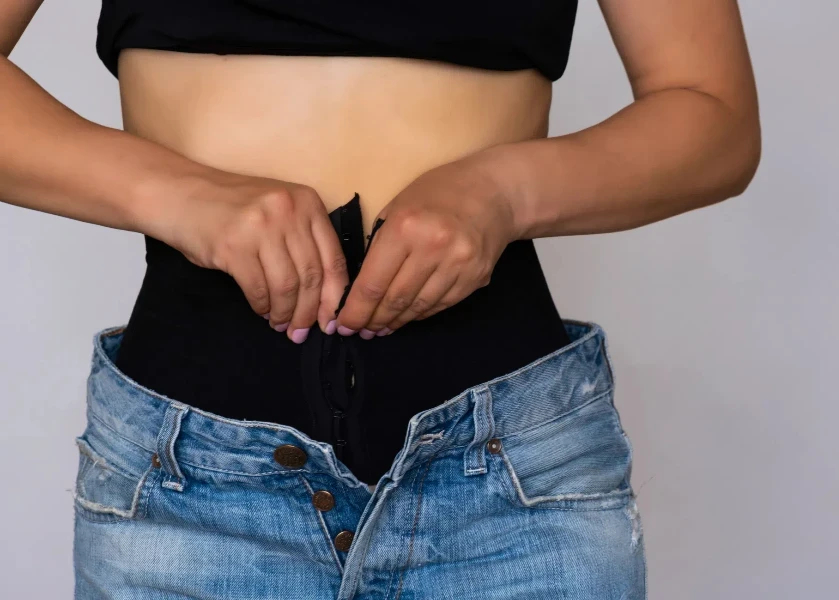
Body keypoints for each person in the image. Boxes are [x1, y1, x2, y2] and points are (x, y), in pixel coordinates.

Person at [1, 1, 759, 598]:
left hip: (509, 481)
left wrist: (505, 192)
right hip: (189, 486)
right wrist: (178, 195)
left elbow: (712, 115)